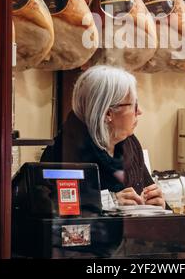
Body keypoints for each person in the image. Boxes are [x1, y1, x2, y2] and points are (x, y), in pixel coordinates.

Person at [41, 65, 165, 208]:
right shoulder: (64, 151)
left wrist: (157, 204)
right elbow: (52, 206)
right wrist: (108, 201)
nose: (140, 111)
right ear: (107, 113)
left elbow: (148, 195)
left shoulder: (130, 144)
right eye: (134, 106)